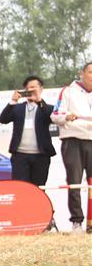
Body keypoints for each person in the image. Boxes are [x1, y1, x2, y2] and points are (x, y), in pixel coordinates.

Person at [51, 62, 92, 233]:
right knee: (74, 182)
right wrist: (67, 116)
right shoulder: (68, 91)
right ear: (82, 73)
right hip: (73, 140)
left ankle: (91, 222)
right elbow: (55, 115)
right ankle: (77, 222)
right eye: (90, 72)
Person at [0, 76, 55, 186]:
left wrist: (39, 100)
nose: (31, 90)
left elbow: (51, 117)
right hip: (20, 155)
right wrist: (13, 101)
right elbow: (3, 119)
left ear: (41, 89)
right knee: (21, 188)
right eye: (28, 88)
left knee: (39, 188)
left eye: (34, 87)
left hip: (41, 155)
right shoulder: (17, 107)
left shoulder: (47, 108)